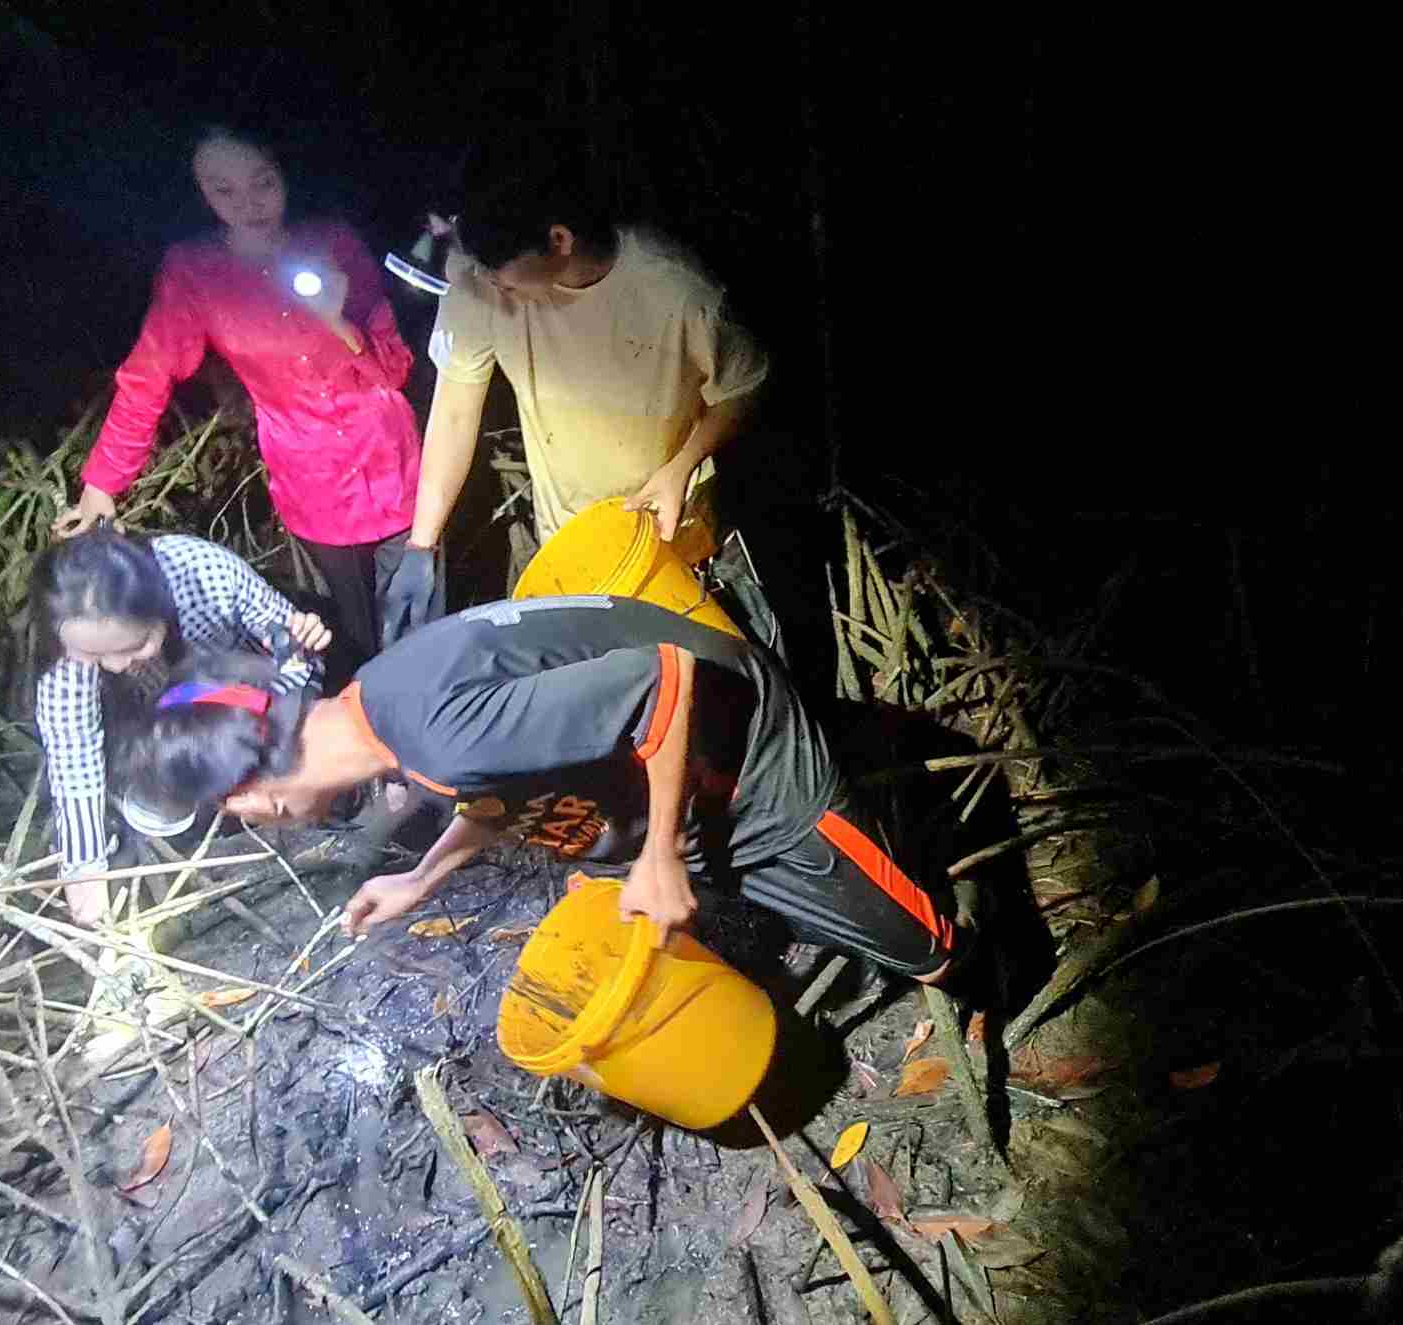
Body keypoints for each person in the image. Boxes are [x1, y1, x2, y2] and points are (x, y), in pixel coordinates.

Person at [120, 596, 961, 984]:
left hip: (749, 757)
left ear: (254, 796)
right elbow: (498, 789)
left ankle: (981, 971)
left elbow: (661, 679)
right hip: (682, 765)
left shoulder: (433, 732)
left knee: (917, 945)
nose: (255, 825)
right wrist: (421, 877)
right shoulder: (375, 708)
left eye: (231, 814)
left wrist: (661, 852)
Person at [53, 122, 440, 674]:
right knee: (353, 641)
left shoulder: (334, 243)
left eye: (262, 183)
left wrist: (337, 321)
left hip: (394, 467)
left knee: (422, 624)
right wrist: (101, 485)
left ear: (284, 174)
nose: (249, 204)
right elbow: (148, 376)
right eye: (223, 190)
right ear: (200, 193)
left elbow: (395, 368)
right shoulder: (195, 271)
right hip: (311, 484)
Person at [380, 143, 768, 645]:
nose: (490, 287)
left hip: (669, 536)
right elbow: (454, 412)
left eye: (501, 275)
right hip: (565, 541)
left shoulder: (676, 290)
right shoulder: (480, 284)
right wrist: (421, 544)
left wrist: (682, 466)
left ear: (559, 239)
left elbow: (740, 388)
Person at [29, 527, 329, 924]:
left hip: (246, 689)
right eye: (94, 656)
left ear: (160, 607)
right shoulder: (68, 657)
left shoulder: (204, 572)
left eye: (135, 646)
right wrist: (84, 869)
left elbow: (294, 655)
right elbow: (74, 757)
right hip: (165, 712)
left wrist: (271, 733)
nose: (116, 665)